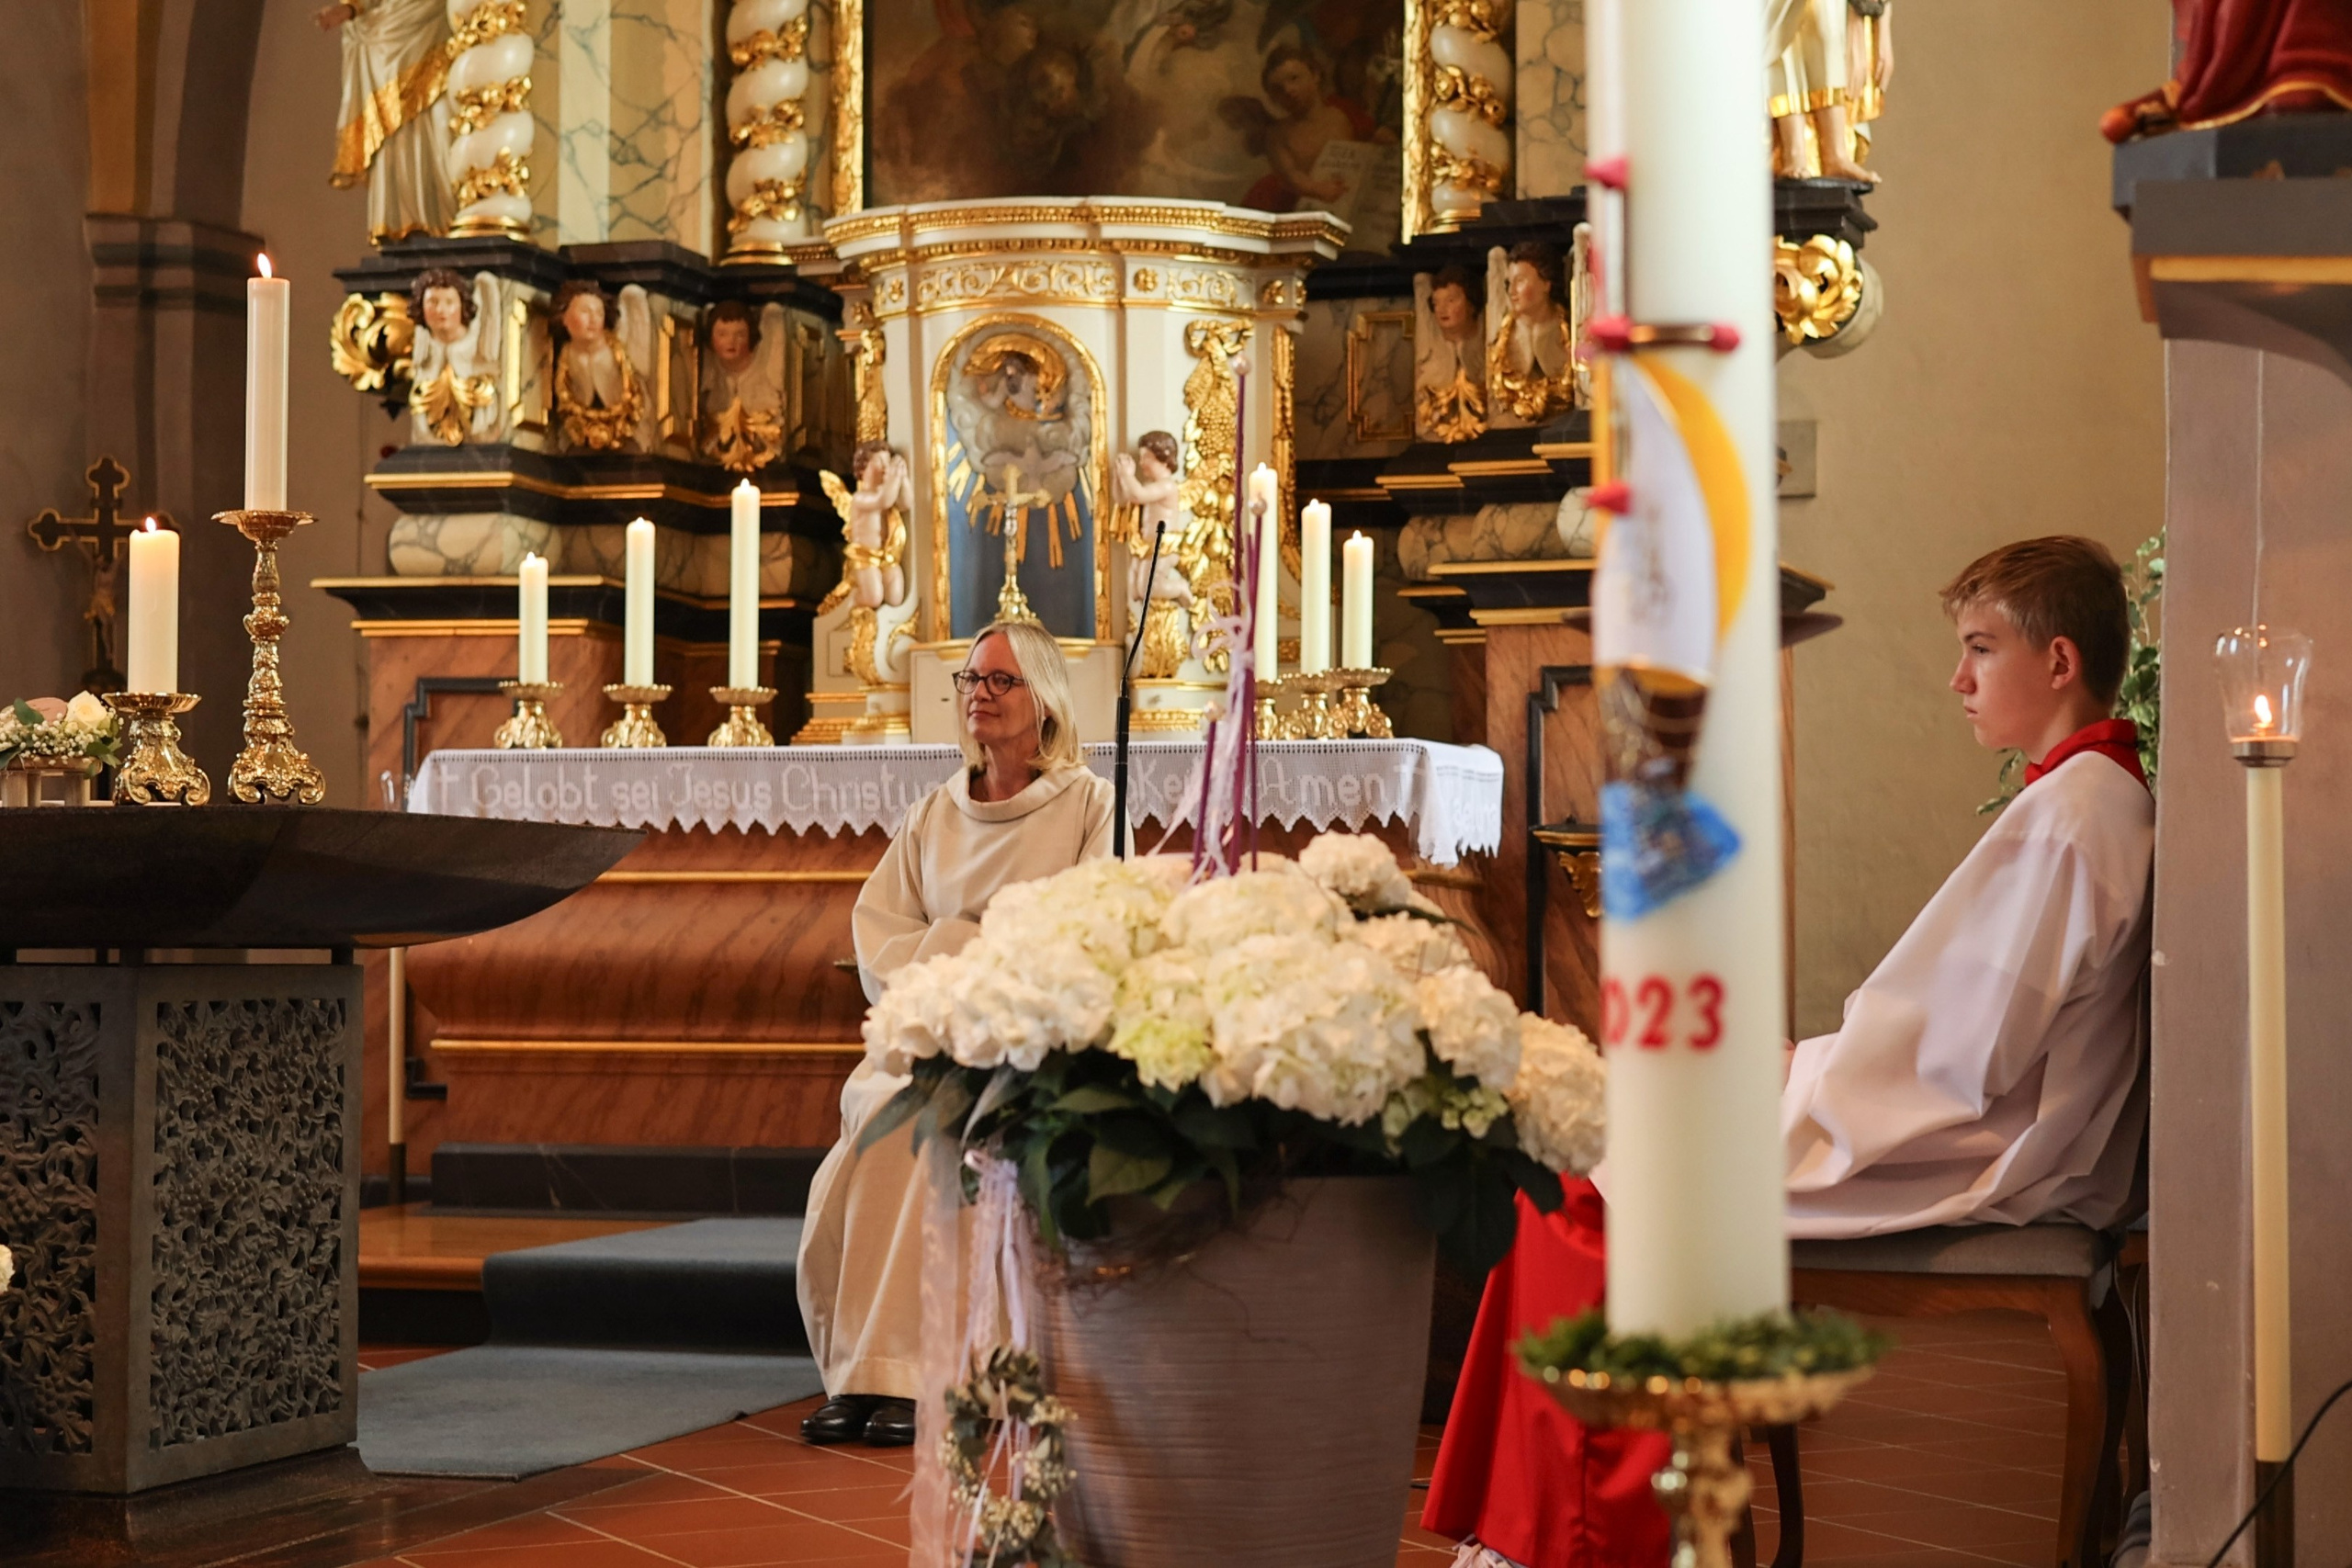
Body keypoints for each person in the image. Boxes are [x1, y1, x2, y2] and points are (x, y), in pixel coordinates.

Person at [1425, 536, 2154, 1567]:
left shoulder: (2071, 816)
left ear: (2060, 662)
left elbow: (1965, 1056)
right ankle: (1533, 1522)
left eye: (1980, 649)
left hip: (1982, 1145)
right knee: (1611, 1138)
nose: (1957, 679)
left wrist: (1805, 1073)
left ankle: (1569, 1538)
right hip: (1979, 1117)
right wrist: (1810, 1059)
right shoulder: (2088, 797)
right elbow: (1964, 1028)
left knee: (1589, 1182)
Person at [796, 622, 1115, 1447]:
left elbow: (1091, 929)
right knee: (877, 1125)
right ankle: (862, 1372)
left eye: (1001, 680)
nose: (979, 692)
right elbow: (881, 931)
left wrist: (964, 950)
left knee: (930, 1133)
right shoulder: (934, 813)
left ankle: (917, 1375)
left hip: (1022, 1041)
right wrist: (949, 961)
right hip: (928, 1030)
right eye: (971, 679)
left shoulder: (1087, 803)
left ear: (1042, 698)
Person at [320, 0, 452, 243]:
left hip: (429, 18)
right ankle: (399, 218)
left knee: (437, 123)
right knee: (392, 130)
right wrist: (350, 8)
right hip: (385, 34)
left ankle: (443, 213)